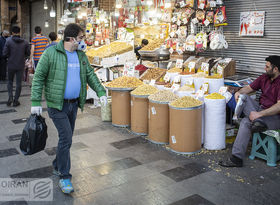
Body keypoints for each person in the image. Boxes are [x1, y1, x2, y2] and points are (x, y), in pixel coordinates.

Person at [30, 23, 107, 194]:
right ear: (71, 38)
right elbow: (39, 77)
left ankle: (57, 165)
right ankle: (65, 177)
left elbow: (90, 76)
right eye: (81, 38)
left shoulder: (81, 56)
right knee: (66, 139)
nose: (82, 41)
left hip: (73, 104)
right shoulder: (51, 53)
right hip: (57, 105)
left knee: (67, 139)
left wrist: (101, 91)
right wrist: (35, 101)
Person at [219, 55, 280, 167]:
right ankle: (237, 158)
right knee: (244, 97)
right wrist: (239, 92)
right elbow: (249, 88)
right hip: (260, 110)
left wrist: (259, 114)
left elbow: (279, 107)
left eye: (267, 67)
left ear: (275, 69)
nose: (264, 68)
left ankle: (236, 158)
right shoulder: (264, 77)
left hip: (274, 117)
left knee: (245, 122)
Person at [3, 26, 30, 106]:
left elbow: (4, 53)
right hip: (20, 65)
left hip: (11, 64)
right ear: (19, 32)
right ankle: (15, 100)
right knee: (19, 83)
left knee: (10, 82)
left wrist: (9, 57)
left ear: (12, 33)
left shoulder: (8, 41)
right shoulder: (25, 42)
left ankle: (10, 97)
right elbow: (28, 53)